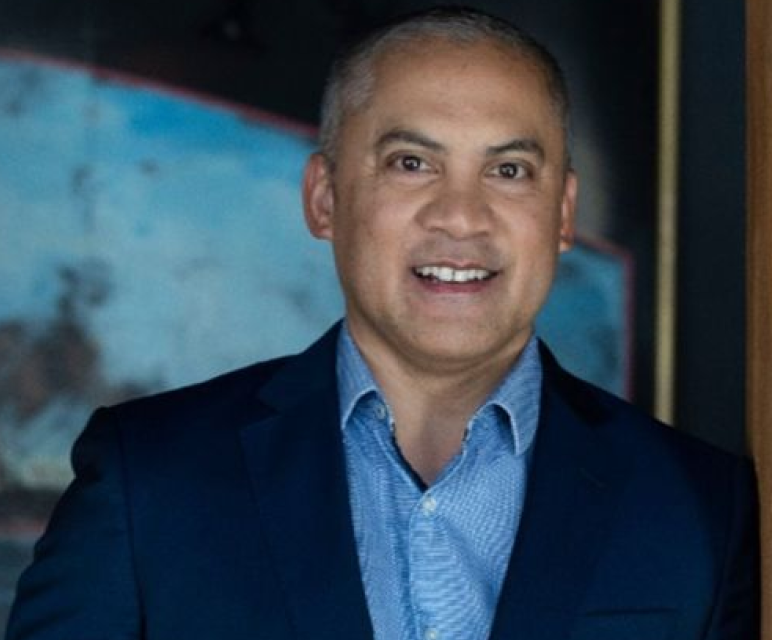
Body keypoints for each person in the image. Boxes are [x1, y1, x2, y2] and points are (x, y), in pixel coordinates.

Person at [6, 7, 759, 640]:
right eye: (411, 163)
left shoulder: (700, 508)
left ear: (562, 213)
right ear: (325, 198)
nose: (461, 216)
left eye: (508, 171)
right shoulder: (149, 481)